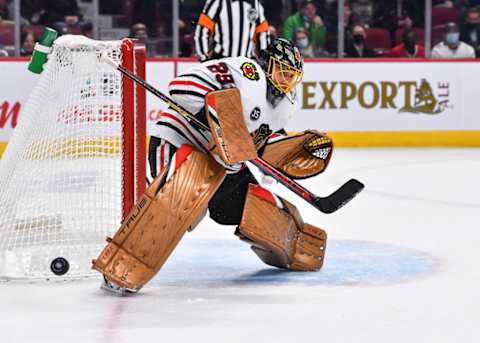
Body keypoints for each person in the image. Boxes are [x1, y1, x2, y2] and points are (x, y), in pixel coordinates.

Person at [97, 39, 331, 295]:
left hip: (226, 165)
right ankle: (121, 267)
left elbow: (261, 141)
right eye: (281, 72)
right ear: (266, 64)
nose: (286, 82)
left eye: (292, 76)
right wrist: (216, 117)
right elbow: (180, 87)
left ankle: (293, 243)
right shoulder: (245, 73)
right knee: (177, 201)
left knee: (254, 208)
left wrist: (285, 148)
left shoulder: (287, 104)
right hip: (182, 142)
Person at [194, 0, 269, 61]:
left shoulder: (255, 3)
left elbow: (263, 33)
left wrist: (264, 59)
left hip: (247, 62)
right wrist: (204, 57)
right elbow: (202, 30)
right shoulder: (217, 2)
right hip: (221, 60)